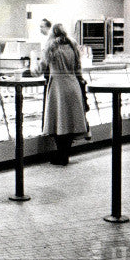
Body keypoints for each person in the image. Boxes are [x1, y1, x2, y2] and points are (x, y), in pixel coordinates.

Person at [38, 23, 90, 165]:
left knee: (59, 122)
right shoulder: (73, 46)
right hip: (73, 85)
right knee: (70, 123)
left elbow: (40, 68)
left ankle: (60, 156)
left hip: (58, 87)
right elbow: (78, 68)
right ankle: (65, 155)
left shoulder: (50, 47)